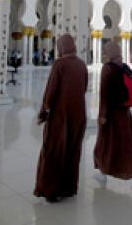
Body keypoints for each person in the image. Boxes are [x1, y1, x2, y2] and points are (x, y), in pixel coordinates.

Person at [34, 34, 88, 202]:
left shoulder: (60, 64)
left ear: (61, 47)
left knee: (55, 150)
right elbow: (84, 87)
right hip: (78, 115)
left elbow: (51, 91)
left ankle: (51, 190)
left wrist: (43, 112)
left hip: (60, 116)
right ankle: (68, 188)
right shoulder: (81, 65)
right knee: (72, 150)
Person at [93, 41, 132, 188]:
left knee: (104, 145)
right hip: (125, 113)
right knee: (129, 143)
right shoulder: (124, 67)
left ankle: (103, 173)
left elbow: (104, 95)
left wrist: (102, 115)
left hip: (111, 115)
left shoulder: (107, 69)